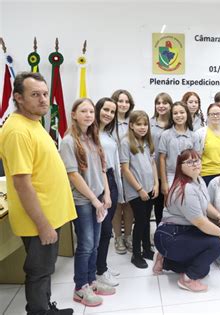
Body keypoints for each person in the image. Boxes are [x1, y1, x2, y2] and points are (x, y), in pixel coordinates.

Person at [0, 72, 76, 314]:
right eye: (35, 94)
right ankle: (38, 311)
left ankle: (46, 308)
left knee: (45, 269)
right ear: (18, 97)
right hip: (39, 221)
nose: (44, 99)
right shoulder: (17, 131)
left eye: (45, 94)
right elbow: (22, 184)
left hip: (50, 215)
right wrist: (43, 226)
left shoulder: (32, 123)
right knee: (39, 272)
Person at [59, 98, 116, 306]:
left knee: (95, 244)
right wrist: (94, 200)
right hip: (83, 201)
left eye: (91, 111)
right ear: (74, 114)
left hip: (98, 199)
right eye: (84, 111)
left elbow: (102, 169)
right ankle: (80, 288)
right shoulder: (68, 141)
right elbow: (73, 175)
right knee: (86, 244)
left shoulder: (93, 138)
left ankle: (91, 281)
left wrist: (106, 195)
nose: (89, 115)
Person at [153, 149, 220, 292]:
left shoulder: (198, 180)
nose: (195, 164)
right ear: (180, 166)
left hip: (182, 231)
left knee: (203, 270)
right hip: (170, 236)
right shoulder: (186, 188)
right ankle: (187, 279)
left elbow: (206, 205)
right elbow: (200, 222)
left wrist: (219, 216)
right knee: (216, 243)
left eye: (197, 160)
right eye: (189, 162)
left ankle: (165, 260)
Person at [120, 111, 159, 268]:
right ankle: (136, 255)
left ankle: (147, 250)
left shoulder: (147, 141)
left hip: (149, 188)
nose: (143, 127)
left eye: (145, 124)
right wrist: (140, 189)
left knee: (146, 221)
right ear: (131, 125)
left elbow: (153, 164)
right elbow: (125, 169)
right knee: (141, 221)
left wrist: (156, 184)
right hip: (136, 190)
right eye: (138, 124)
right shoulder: (125, 143)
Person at [95, 97, 124, 287]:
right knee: (102, 230)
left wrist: (118, 190)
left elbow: (114, 163)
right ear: (98, 109)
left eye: (112, 112)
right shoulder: (89, 134)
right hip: (97, 182)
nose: (108, 114)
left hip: (111, 180)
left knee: (106, 232)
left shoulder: (108, 134)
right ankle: (98, 271)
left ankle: (101, 267)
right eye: (105, 109)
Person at [111, 89, 135, 254]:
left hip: (130, 168)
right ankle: (118, 237)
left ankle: (128, 236)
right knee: (117, 205)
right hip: (113, 169)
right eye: (120, 101)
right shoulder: (108, 121)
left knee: (129, 205)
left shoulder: (133, 121)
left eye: (126, 101)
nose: (123, 104)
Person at [158, 101, 199, 198]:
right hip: (171, 175)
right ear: (171, 116)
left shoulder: (194, 136)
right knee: (170, 206)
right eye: (175, 113)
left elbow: (197, 160)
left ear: (187, 114)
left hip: (189, 176)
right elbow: (162, 159)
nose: (179, 115)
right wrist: (164, 182)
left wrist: (195, 178)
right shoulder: (166, 135)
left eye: (182, 112)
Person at [195, 103, 220, 185]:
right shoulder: (200, 133)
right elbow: (196, 157)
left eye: (218, 114)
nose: (215, 116)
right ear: (208, 116)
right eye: (212, 114)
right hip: (206, 174)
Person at [150, 92, 172, 227]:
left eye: (165, 103)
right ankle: (159, 231)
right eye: (158, 103)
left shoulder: (174, 123)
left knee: (171, 204)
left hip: (169, 171)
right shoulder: (150, 123)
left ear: (170, 105)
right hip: (153, 170)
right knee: (157, 205)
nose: (161, 106)